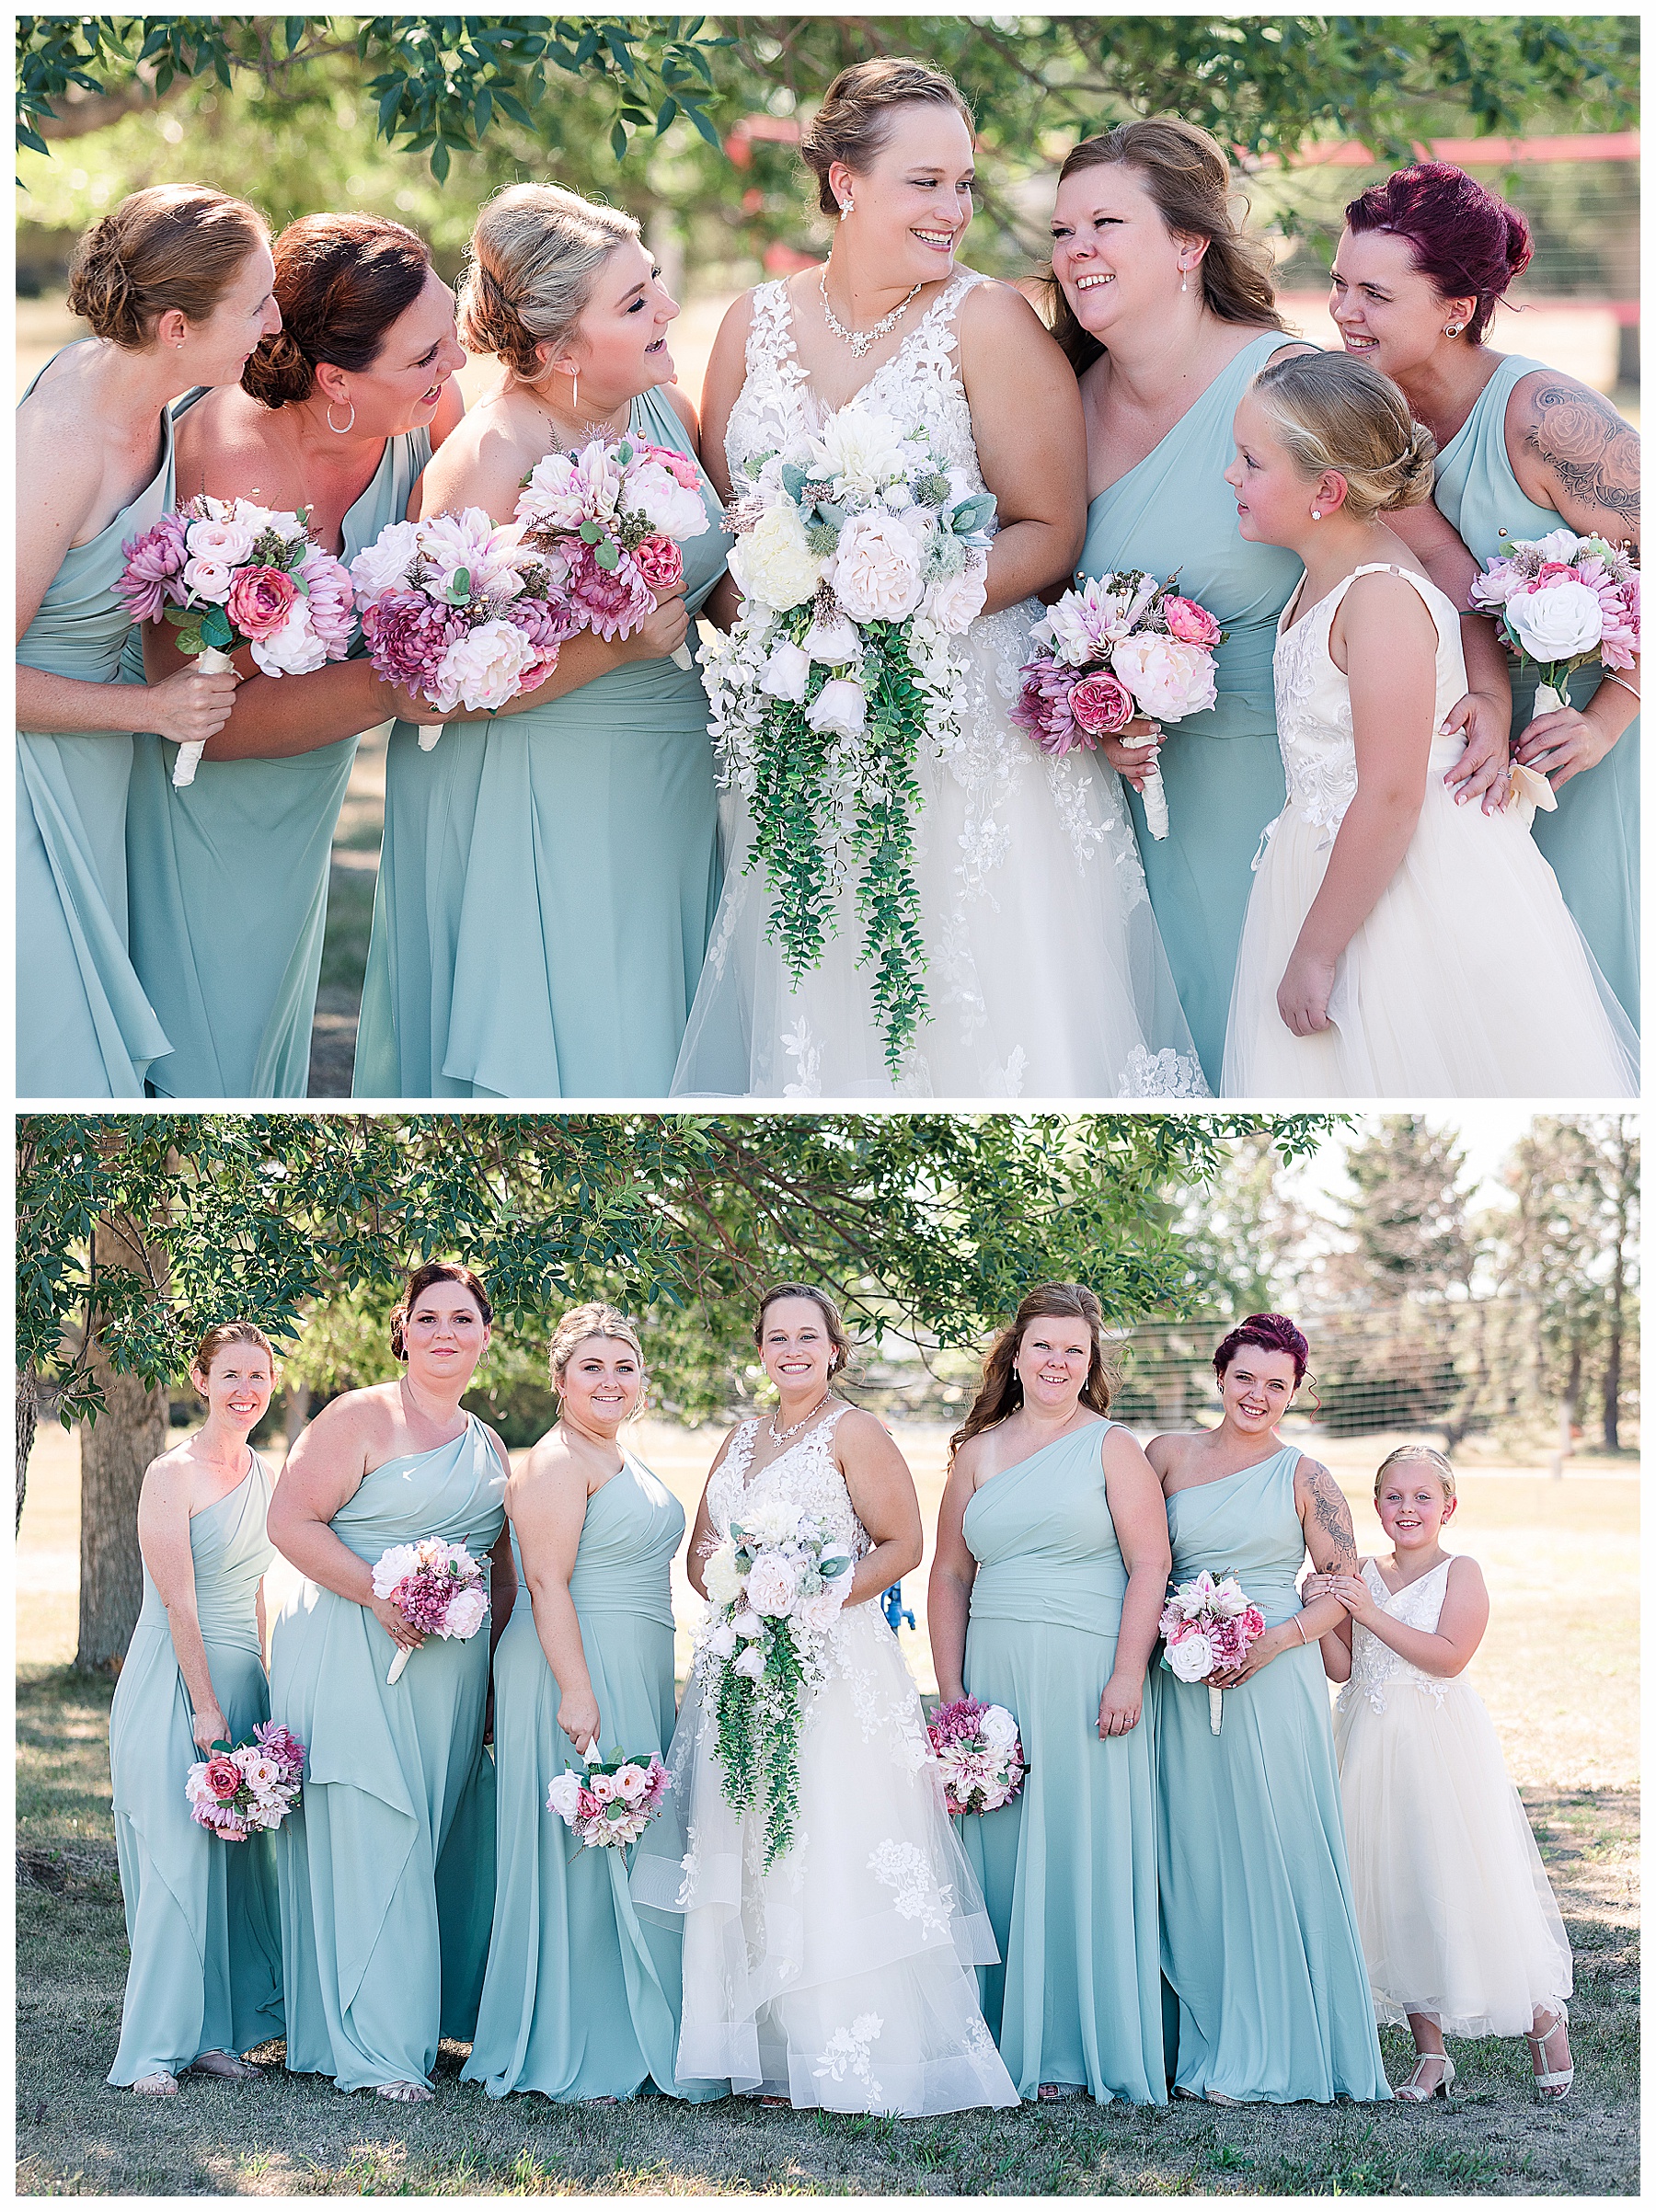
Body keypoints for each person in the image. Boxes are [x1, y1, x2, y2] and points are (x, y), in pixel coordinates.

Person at [671, 60, 1203, 1100]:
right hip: (798, 730)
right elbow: (726, 546)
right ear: (844, 182)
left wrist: (904, 607)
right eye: (927, 182)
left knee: (980, 1000)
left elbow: (1052, 528)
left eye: (964, 183)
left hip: (963, 731)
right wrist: (787, 621)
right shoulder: (748, 326)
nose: (955, 209)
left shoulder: (987, 323)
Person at [1051, 120, 1518, 1091]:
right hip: (1137, 814)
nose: (1076, 251)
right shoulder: (1063, 398)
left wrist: (1491, 693)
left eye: (1104, 222)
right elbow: (1064, 612)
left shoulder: (1286, 382)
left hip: (1293, 801)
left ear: (1189, 246)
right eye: (1061, 232)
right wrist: (1100, 709)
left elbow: (1433, 553)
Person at [352, 182, 730, 1098]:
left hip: (667, 779)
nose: (668, 311)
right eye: (636, 303)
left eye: (657, 286)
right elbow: (431, 688)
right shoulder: (489, 459)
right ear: (559, 347)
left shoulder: (660, 411)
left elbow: (717, 575)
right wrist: (617, 649)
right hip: (532, 787)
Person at [633, 1284, 1018, 2113]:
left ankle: (836, 2049)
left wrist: (814, 1590)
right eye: (777, 1336)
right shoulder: (738, 1439)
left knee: (824, 1834)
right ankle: (761, 2050)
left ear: (835, 1348)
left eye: (808, 1335)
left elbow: (904, 1544)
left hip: (832, 1665)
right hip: (743, 1666)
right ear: (761, 1349)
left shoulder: (856, 1432)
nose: (793, 1349)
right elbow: (703, 1548)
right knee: (750, 1835)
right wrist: (734, 1582)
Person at [1219, 351, 1635, 1096]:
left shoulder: (1379, 601)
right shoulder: (1327, 578)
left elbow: (1390, 793)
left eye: (1250, 461)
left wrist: (1315, 951)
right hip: (1331, 861)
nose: (1230, 476)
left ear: (1328, 490)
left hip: (1408, 882)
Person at [122, 213, 466, 1096]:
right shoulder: (237, 466)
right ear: (334, 378)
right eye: (427, 355)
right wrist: (394, 685)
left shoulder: (426, 416)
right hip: (195, 802)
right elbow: (202, 721)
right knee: (200, 1068)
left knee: (264, 1051)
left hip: (304, 792)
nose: (454, 368)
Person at [1332, 160, 1639, 1030]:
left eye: (1375, 295)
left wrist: (1608, 719)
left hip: (1574, 749)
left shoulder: (1545, 418)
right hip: (1450, 756)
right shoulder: (1361, 406)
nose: (1345, 313)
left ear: (1457, 310)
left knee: (1584, 992)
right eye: (1339, 285)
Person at [17, 186, 273, 1095]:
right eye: (256, 305)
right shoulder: (61, 441)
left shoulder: (151, 397)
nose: (273, 322)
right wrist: (152, 708)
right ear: (175, 325)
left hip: (91, 784)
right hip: (27, 788)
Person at [266, 1261, 514, 2099]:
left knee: (427, 1837)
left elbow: (501, 1566)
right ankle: (373, 2050)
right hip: (349, 1647)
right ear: (402, 1327)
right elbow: (289, 1521)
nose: (446, 1331)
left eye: (464, 1318)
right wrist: (377, 1589)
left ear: (486, 1334)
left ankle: (399, 2017)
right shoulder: (358, 1415)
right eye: (429, 1316)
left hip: (448, 1677)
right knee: (374, 1831)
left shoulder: (488, 1444)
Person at [465, 1306, 717, 2103]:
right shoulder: (553, 1462)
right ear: (560, 1378)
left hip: (633, 1664)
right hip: (573, 1665)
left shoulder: (617, 1457)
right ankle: (580, 2040)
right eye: (592, 1367)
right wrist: (577, 1688)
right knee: (583, 1853)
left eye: (625, 1367)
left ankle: (644, 2030)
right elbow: (543, 1581)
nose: (611, 1381)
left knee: (638, 1843)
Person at [928, 1284, 1169, 2103]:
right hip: (997, 1672)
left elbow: (1151, 1565)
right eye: (1043, 1346)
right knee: (999, 1849)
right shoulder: (979, 1451)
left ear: (1091, 1361)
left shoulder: (1112, 1447)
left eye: (1074, 1349)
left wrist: (1128, 1673)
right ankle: (998, 2036)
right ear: (1016, 1355)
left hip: (1087, 1670)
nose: (1057, 1361)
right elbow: (951, 1572)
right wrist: (955, 1691)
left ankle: (1072, 2045)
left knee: (1078, 1846)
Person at [1147, 1312, 1389, 2103]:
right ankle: (1200, 2030)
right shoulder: (1167, 1456)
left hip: (1273, 1677)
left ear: (1295, 1393)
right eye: (1244, 1377)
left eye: (1276, 1384)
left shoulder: (1305, 1475)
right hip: (1179, 1679)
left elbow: (1344, 1587)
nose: (1257, 1394)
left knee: (1273, 1844)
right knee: (1196, 1852)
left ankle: (1283, 2040)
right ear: (1220, 1375)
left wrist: (1277, 1638)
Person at [1308, 1447, 1575, 2103]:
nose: (1407, 1508)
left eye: (1423, 1497)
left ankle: (1542, 2016)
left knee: (1457, 1882)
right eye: (1393, 1496)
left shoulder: (1462, 1572)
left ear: (1448, 1507)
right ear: (1376, 1506)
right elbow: (1344, 1667)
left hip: (1439, 1749)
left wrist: (1369, 1612)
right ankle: (1430, 2053)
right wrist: (1317, 1610)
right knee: (1393, 1892)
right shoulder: (1360, 1570)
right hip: (1369, 1745)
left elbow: (1449, 1657)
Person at [107, 1322, 284, 2092]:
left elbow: (254, 1595)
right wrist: (205, 1705)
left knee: (232, 1869)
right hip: (175, 1681)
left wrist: (265, 1694)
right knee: (177, 1858)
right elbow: (179, 1599)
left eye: (261, 1375)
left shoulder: (264, 1474)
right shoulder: (168, 1474)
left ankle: (216, 2035)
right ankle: (150, 2050)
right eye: (233, 1374)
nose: (247, 1389)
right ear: (201, 1379)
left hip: (241, 1679)